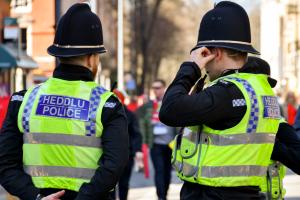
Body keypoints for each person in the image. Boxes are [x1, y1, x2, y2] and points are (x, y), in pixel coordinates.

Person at [159, 1, 300, 199]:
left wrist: (191, 67)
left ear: (215, 53)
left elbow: (169, 110)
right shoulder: (262, 93)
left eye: (204, 53)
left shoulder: (226, 93)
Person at [0, 3, 128, 200]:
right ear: (92, 59)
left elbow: (5, 165)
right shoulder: (106, 104)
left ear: (58, 55)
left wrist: (36, 197)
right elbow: (114, 166)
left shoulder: (23, 101)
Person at [138, 79, 177, 200]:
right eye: (154, 88)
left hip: (170, 143)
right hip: (155, 143)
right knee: (159, 170)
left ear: (164, 88)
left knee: (167, 171)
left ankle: (164, 192)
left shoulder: (170, 103)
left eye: (158, 87)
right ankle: (161, 196)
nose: (156, 90)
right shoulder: (149, 105)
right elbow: (141, 123)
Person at [112, 89, 143, 200]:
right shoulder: (105, 113)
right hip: (109, 155)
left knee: (124, 184)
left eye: (117, 98)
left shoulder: (130, 115)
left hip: (126, 155)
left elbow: (136, 134)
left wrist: (137, 151)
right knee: (109, 184)